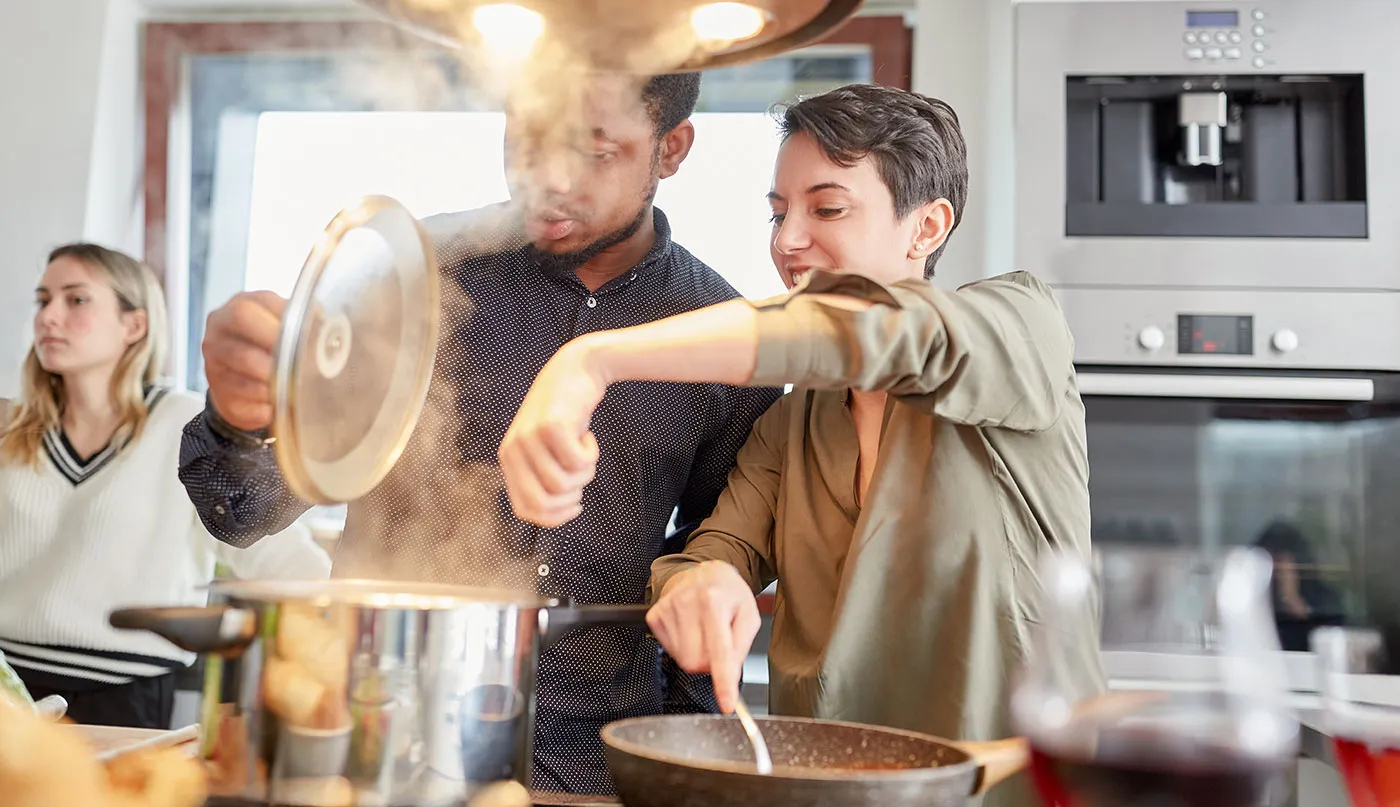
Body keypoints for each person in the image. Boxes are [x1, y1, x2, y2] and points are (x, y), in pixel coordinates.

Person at [499, 84, 1106, 807]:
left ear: (927, 226)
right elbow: (711, 548)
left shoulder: (1016, 327)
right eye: (779, 212)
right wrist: (704, 582)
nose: (787, 240)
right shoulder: (794, 424)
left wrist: (591, 359)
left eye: (828, 208)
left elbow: (879, 331)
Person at [176, 72, 782, 794]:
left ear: (672, 148)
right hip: (379, 742)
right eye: (526, 141)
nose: (548, 182)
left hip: (596, 758)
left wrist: (687, 764)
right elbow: (243, 513)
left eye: (594, 153)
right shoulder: (412, 279)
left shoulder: (720, 336)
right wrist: (241, 415)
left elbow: (712, 564)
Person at [0, 244, 331, 730]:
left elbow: (285, 559)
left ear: (134, 325)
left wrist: (335, 639)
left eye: (76, 300)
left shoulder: (190, 428)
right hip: (10, 691)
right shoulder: (13, 430)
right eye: (42, 300)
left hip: (122, 699)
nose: (49, 316)